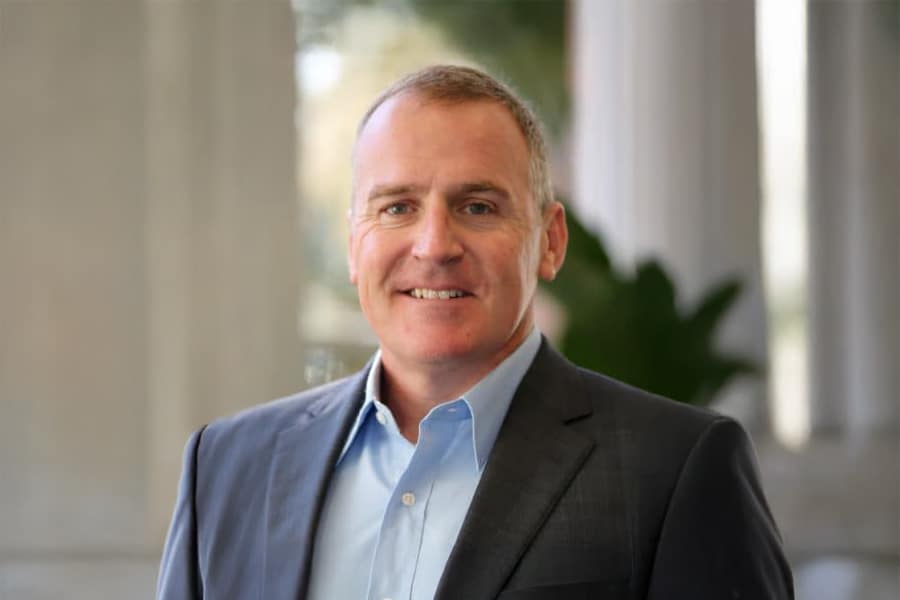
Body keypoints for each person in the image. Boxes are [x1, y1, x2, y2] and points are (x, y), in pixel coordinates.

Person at [157, 65, 793, 600]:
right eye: (398, 207)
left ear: (550, 243)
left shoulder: (678, 468)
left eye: (478, 207)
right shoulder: (226, 467)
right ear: (354, 244)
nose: (434, 245)